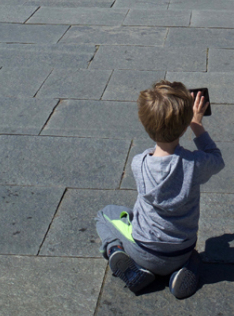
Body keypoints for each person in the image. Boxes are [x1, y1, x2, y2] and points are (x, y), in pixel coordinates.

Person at [95, 81, 224, 299]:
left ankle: (115, 251)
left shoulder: (139, 163)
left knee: (105, 214)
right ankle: (183, 271)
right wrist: (197, 125)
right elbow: (217, 160)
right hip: (180, 251)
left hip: (143, 251)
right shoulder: (195, 163)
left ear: (144, 125)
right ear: (184, 127)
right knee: (191, 253)